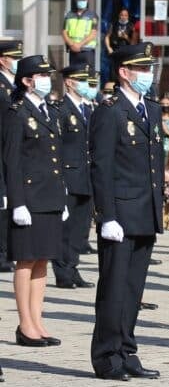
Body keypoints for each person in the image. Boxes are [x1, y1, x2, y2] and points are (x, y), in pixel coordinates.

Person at [89, 42, 164, 380]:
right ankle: (107, 355)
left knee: (133, 289)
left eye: (150, 69)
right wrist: (106, 216)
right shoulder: (110, 110)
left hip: (144, 212)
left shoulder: (151, 109)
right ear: (124, 72)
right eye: (142, 69)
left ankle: (127, 350)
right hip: (120, 214)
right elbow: (101, 167)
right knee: (114, 288)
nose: (148, 75)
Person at [3, 55, 67, 348]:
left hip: (49, 196)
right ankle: (25, 324)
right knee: (26, 260)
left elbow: (56, 158)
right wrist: (17, 202)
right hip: (28, 198)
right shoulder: (16, 112)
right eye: (40, 76)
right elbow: (12, 161)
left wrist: (61, 195)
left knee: (42, 259)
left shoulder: (49, 110)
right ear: (27, 81)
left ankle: (37, 321)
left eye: (48, 75)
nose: (46, 79)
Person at [50, 64, 95, 289]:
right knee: (65, 229)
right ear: (69, 82)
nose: (86, 84)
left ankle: (73, 266)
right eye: (81, 80)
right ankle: (62, 271)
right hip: (69, 176)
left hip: (86, 177)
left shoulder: (89, 110)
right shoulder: (61, 109)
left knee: (80, 228)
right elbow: (56, 147)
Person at [0, 41, 23, 273]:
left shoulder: (14, 85)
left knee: (8, 199)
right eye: (13, 57)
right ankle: (2, 253)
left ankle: (6, 251)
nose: (17, 61)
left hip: (11, 147)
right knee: (2, 201)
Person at [62, 0, 98, 67]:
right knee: (73, 76)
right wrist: (71, 44)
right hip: (73, 51)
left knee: (87, 76)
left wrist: (79, 45)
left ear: (87, 0)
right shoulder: (69, 14)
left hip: (87, 52)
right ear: (76, 0)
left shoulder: (92, 15)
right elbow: (64, 32)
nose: (82, 1)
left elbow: (93, 33)